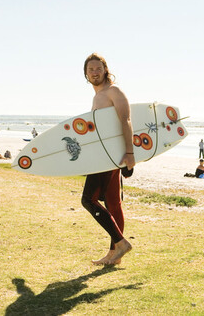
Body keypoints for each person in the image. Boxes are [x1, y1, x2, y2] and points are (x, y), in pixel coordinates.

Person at [81, 53, 133, 265]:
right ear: (86, 74)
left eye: (98, 68)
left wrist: (129, 153)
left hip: (110, 156)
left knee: (88, 200)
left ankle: (120, 243)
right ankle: (114, 254)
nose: (94, 72)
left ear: (105, 70)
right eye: (90, 70)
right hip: (104, 155)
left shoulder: (114, 91)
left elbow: (126, 120)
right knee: (113, 203)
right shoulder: (98, 96)